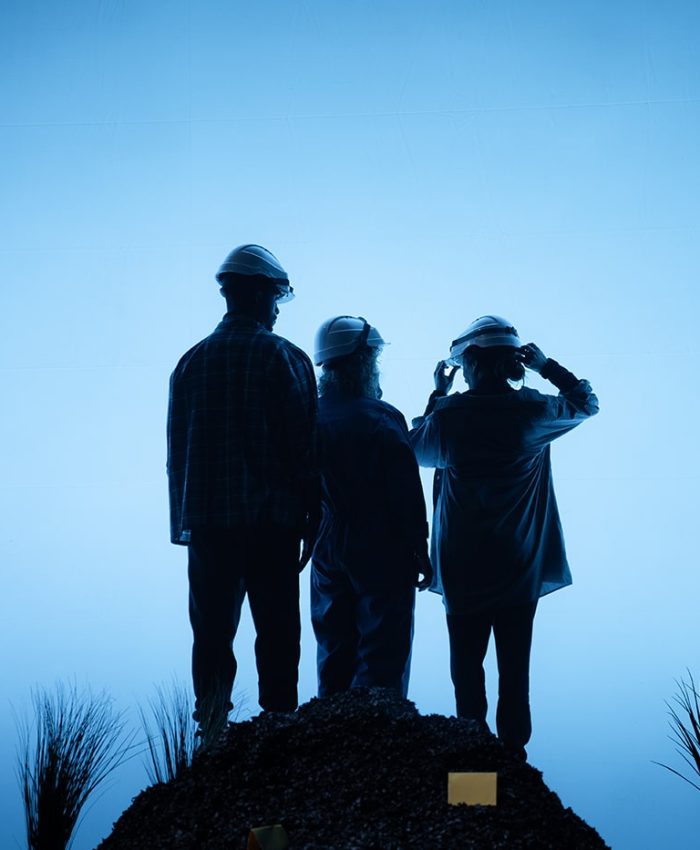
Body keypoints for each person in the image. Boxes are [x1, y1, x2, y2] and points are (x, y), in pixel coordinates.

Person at [409, 315, 598, 759]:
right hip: (519, 563)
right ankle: (514, 783)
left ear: (469, 362)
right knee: (515, 672)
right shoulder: (531, 412)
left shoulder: (451, 418)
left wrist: (438, 393)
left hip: (462, 566)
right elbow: (585, 402)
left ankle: (472, 798)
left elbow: (414, 447)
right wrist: (547, 366)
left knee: (467, 677)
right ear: (512, 361)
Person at [167, 244, 319, 735]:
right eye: (276, 298)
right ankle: (279, 736)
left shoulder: (189, 364)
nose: (277, 310)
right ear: (257, 295)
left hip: (209, 526)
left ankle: (211, 736)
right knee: (277, 637)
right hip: (272, 525)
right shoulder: (285, 357)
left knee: (210, 638)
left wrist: (183, 527)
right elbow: (303, 448)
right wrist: (313, 513)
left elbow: (178, 457)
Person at [310, 316, 432, 699]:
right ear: (362, 361)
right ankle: (377, 742)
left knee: (333, 648)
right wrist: (419, 547)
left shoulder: (308, 417)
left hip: (325, 545)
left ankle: (328, 739)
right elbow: (405, 491)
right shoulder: (381, 417)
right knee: (382, 654)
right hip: (382, 546)